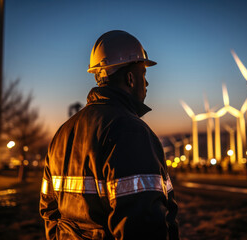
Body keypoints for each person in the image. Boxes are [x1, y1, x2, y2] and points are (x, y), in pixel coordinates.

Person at [39, 30, 179, 240]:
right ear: (130, 78)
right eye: (144, 74)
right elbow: (141, 225)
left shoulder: (63, 133)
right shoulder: (130, 131)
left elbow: (49, 211)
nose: (147, 84)